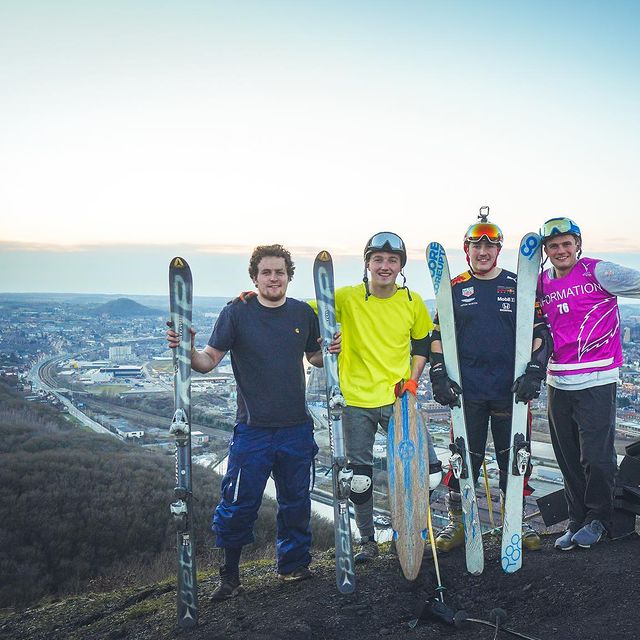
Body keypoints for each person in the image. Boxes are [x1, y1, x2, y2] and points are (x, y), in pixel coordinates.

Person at [167, 244, 340, 600]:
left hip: (296, 427)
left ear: (289, 276)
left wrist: (332, 351)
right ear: (254, 277)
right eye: (266, 272)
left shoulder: (302, 313)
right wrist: (186, 348)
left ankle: (293, 567)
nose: (273, 278)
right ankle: (229, 577)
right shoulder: (236, 313)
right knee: (238, 502)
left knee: (296, 503)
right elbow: (207, 362)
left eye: (279, 272)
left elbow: (314, 357)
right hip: (253, 429)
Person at [313, 231, 441, 563]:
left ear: (400, 266)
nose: (385, 266)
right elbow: (297, 312)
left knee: (431, 472)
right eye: (378, 260)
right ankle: (368, 541)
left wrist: (413, 381)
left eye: (392, 261)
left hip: (399, 397)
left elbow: (422, 344)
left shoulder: (412, 302)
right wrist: (257, 300)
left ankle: (413, 527)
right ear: (368, 263)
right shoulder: (346, 297)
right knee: (359, 480)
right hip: (356, 400)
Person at [429, 215, 551, 553]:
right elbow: (437, 335)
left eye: (490, 245)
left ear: (498, 249)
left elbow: (541, 333)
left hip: (510, 393)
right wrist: (438, 374)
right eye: (476, 245)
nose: (483, 251)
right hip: (467, 394)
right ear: (467, 250)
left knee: (515, 459)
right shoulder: (454, 288)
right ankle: (457, 523)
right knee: (462, 460)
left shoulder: (517, 285)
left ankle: (517, 521)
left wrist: (534, 373)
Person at [537, 217, 640, 550]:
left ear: (578, 245)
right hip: (558, 381)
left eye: (567, 244)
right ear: (546, 250)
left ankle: (599, 518)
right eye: (554, 246)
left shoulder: (598, 272)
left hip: (597, 378)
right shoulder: (541, 283)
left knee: (596, 457)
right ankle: (577, 518)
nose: (561, 250)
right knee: (567, 458)